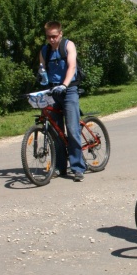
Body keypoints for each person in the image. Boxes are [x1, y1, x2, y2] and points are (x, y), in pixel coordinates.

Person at [39, 21, 87, 182]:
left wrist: (65, 85)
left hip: (69, 90)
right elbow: (42, 69)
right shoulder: (44, 51)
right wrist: (42, 77)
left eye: (54, 36)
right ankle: (60, 167)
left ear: (60, 34)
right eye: (48, 37)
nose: (51, 40)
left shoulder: (68, 45)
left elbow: (72, 67)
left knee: (72, 130)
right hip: (53, 91)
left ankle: (78, 167)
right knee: (55, 131)